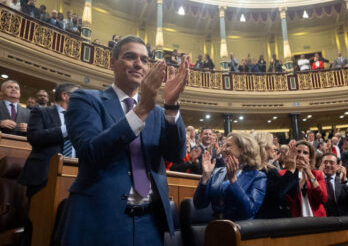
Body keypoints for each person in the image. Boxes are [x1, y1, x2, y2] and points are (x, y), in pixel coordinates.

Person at [57, 35, 189, 245]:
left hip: (150, 223)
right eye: (130, 57)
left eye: (145, 60)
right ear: (112, 63)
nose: (139, 64)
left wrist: (172, 106)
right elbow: (91, 152)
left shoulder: (156, 112)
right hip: (99, 219)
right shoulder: (86, 99)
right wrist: (142, 109)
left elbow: (176, 155)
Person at [17, 83, 80, 246]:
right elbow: (34, 137)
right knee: (37, 224)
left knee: (63, 225)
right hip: (43, 174)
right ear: (65, 96)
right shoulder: (41, 111)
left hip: (72, 176)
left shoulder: (79, 118)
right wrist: (66, 129)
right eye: (77, 95)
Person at [193, 132, 266, 220]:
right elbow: (199, 204)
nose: (223, 149)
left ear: (242, 149)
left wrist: (233, 181)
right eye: (224, 145)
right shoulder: (217, 172)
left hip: (240, 230)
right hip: (215, 228)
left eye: (228, 145)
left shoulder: (258, 177)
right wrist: (205, 176)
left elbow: (249, 211)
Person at [279, 140, 328, 217]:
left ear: (310, 158)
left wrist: (309, 173)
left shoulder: (317, 174)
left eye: (305, 153)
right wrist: (301, 181)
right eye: (298, 151)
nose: (301, 155)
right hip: (295, 220)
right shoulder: (283, 174)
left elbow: (322, 198)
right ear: (292, 154)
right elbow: (287, 200)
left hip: (317, 219)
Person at [255, 135, 298, 219]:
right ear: (263, 147)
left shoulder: (271, 169)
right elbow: (276, 194)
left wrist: (293, 168)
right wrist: (289, 171)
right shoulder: (258, 170)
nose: (274, 147)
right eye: (271, 143)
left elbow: (293, 192)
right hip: (268, 220)